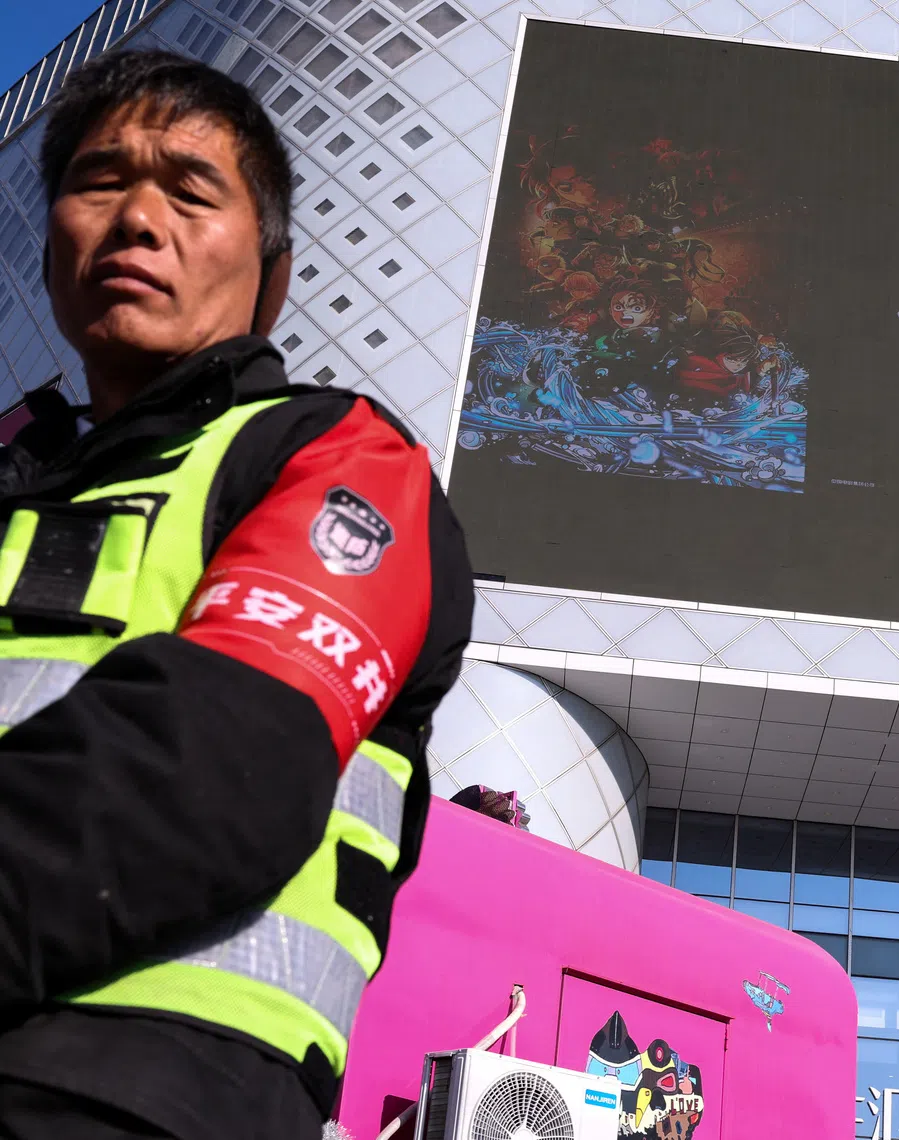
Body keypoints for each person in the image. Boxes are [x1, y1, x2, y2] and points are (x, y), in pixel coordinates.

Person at [0, 50, 473, 1140]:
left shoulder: (342, 460)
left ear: (274, 272)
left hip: (143, 1094)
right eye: (99, 180)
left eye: (190, 189)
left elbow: (212, 773)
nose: (136, 220)